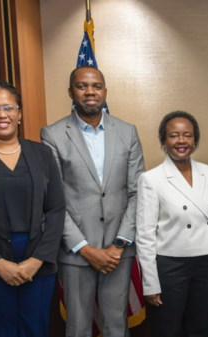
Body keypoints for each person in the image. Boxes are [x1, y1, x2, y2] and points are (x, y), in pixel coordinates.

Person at [41, 66, 145, 337]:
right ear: (71, 92)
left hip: (118, 254)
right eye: (82, 86)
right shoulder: (51, 135)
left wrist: (119, 244)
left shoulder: (128, 132)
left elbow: (137, 193)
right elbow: (54, 200)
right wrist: (86, 249)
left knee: (116, 326)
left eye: (96, 86)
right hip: (76, 252)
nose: (90, 92)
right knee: (77, 327)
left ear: (105, 91)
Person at [136, 111, 208, 337]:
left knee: (200, 328)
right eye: (174, 135)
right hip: (170, 266)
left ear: (195, 140)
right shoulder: (151, 179)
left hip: (206, 263)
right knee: (167, 329)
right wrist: (150, 283)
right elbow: (145, 235)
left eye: (187, 135)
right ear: (164, 141)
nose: (181, 141)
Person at [0, 82, 65, 336]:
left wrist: (37, 259)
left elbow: (56, 209)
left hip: (38, 259)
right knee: (1, 329)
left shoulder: (42, 154)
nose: (2, 114)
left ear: (19, 114)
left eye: (9, 107)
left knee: (36, 328)